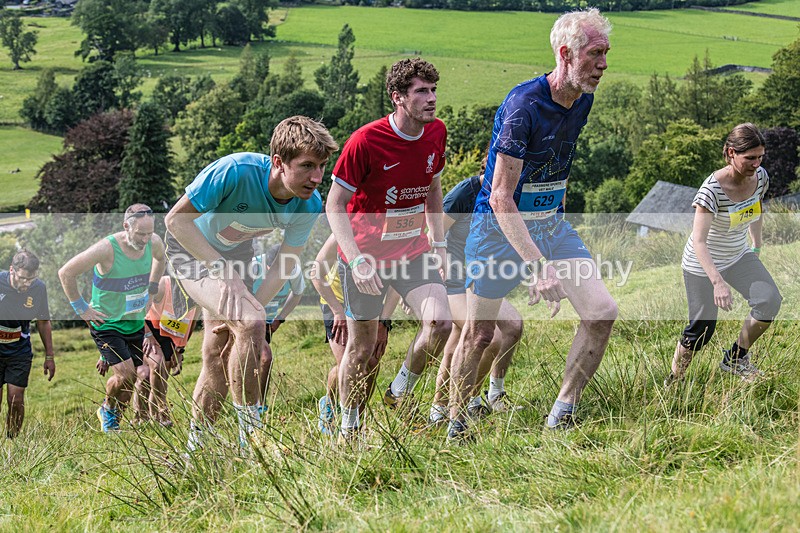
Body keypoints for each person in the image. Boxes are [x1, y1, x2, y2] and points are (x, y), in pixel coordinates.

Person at [450, 8, 616, 439]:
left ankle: (563, 410)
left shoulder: (583, 100)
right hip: (497, 229)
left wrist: (553, 231)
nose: (603, 64)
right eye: (595, 54)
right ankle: (455, 420)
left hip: (551, 225)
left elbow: (557, 166)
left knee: (601, 313)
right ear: (566, 53)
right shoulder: (524, 106)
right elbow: (502, 196)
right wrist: (538, 266)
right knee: (480, 332)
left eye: (606, 54)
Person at [164, 115, 338, 450]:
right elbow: (176, 221)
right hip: (190, 250)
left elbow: (284, 264)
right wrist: (227, 278)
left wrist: (250, 306)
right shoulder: (235, 171)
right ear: (278, 162)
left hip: (237, 253)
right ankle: (252, 442)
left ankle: (194, 451)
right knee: (250, 321)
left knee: (221, 350)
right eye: (307, 166)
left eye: (321, 167)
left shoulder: (308, 203)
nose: (317, 177)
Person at [326, 57, 452, 440]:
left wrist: (440, 243)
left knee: (441, 324)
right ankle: (349, 428)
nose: (431, 99)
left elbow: (432, 189)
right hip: (365, 259)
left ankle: (399, 389)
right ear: (397, 97)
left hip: (412, 252)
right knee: (362, 351)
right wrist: (356, 258)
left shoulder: (437, 132)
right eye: (421, 92)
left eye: (433, 90)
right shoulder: (366, 141)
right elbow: (334, 204)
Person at [667, 123, 781, 384]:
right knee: (702, 329)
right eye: (750, 158)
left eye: (760, 156)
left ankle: (736, 358)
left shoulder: (760, 177)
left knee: (769, 300)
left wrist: (757, 245)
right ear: (731, 153)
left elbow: (755, 207)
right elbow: (699, 241)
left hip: (738, 254)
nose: (756, 163)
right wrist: (717, 282)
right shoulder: (711, 191)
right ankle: (674, 379)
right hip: (702, 263)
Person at [428, 162, 524, 426]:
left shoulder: (510, 196)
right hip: (453, 281)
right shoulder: (465, 193)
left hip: (479, 280)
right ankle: (446, 405)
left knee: (513, 326)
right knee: (482, 336)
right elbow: (434, 234)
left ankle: (490, 393)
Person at [59, 205, 166, 432]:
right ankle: (108, 410)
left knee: (139, 376)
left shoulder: (153, 242)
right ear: (126, 226)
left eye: (149, 233)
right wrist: (81, 308)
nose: (146, 239)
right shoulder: (107, 249)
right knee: (126, 374)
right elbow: (66, 272)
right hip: (106, 324)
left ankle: (112, 414)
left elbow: (161, 259)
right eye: (140, 234)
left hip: (134, 321)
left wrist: (153, 288)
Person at [310, 233, 399, 436]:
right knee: (348, 363)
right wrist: (337, 311)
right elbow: (316, 273)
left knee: (372, 362)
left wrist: (385, 320)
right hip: (337, 303)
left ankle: (356, 420)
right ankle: (330, 404)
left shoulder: (393, 235)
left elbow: (397, 282)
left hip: (371, 303)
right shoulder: (340, 235)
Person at [0, 251, 55, 438]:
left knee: (15, 400)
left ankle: (12, 441)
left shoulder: (38, 288)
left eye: (31, 279)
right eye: (23, 279)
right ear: (11, 270)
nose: (27, 284)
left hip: (19, 350)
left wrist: (49, 356)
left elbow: (43, 321)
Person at [140, 275, 199, 426]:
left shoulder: (198, 294)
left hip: (168, 335)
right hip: (146, 328)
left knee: (161, 375)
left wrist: (180, 350)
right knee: (152, 368)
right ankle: (155, 413)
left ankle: (152, 418)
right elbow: (138, 308)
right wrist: (147, 335)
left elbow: (190, 324)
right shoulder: (162, 285)